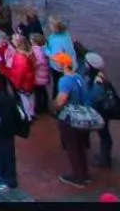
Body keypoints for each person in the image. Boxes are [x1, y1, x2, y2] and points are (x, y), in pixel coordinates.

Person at [51, 51, 99, 187]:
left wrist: (55, 106)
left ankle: (78, 177)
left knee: (73, 147)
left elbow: (61, 100)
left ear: (62, 65)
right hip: (83, 116)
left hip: (70, 117)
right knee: (81, 147)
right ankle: (85, 174)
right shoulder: (79, 77)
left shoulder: (64, 81)